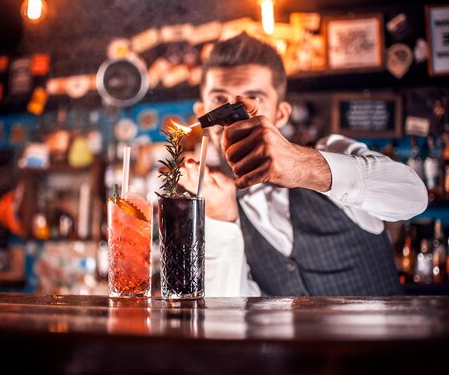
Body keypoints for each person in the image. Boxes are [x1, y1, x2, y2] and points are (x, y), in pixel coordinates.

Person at [178, 32, 428, 297]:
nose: (230, 117)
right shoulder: (220, 207)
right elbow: (227, 320)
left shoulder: (333, 151)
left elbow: (414, 197)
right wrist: (223, 220)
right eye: (219, 100)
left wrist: (303, 166)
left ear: (282, 113)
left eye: (253, 98)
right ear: (201, 112)